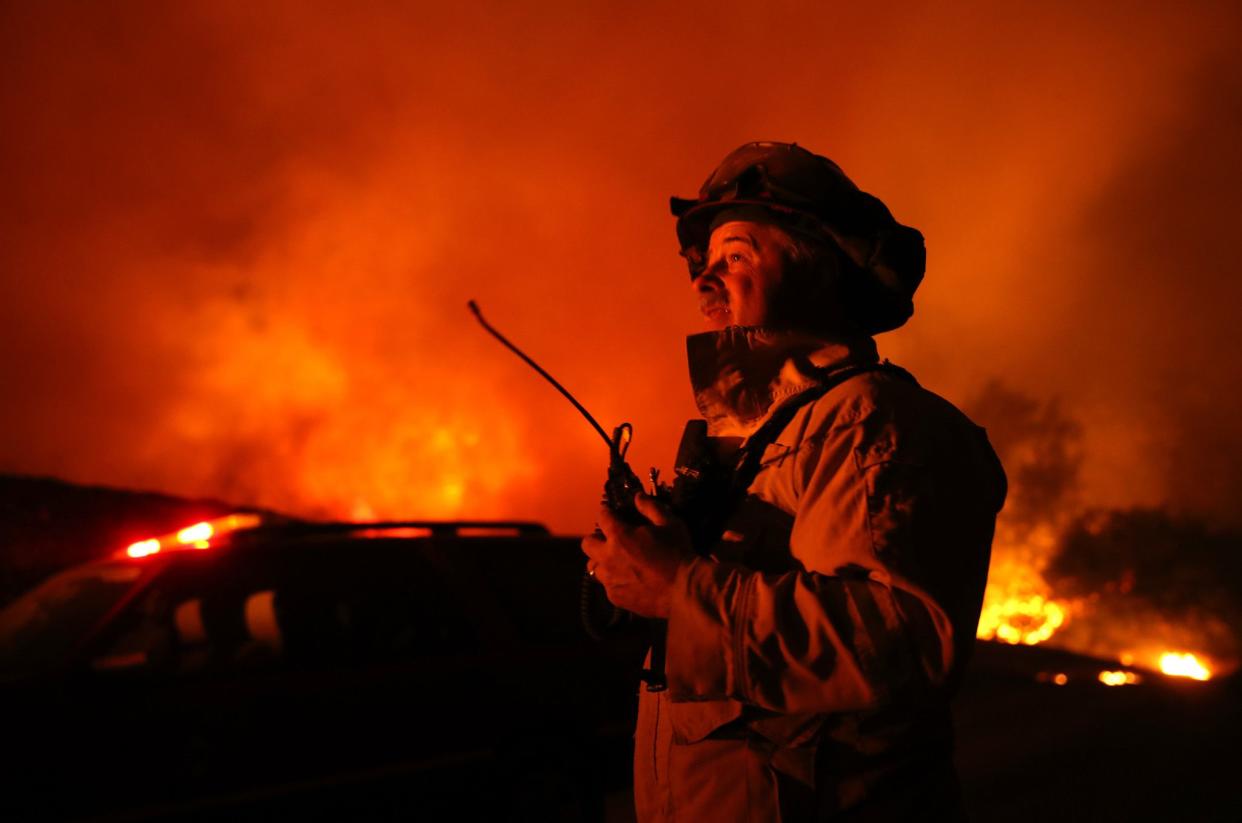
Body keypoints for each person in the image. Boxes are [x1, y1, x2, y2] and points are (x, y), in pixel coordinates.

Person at [580, 142, 1007, 821]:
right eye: (706, 263)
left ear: (818, 267)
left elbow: (906, 639)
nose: (705, 281)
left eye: (737, 255)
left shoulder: (873, 419)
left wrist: (681, 589)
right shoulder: (761, 434)